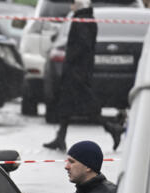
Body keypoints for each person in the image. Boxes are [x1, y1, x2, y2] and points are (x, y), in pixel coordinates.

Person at [43, 0, 123, 151]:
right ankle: (60, 137)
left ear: (78, 5)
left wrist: (71, 59)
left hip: (77, 71)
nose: (70, 6)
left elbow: (82, 45)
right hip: (77, 69)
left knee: (87, 106)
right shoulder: (83, 18)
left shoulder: (82, 20)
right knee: (66, 104)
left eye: (73, 3)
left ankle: (112, 128)